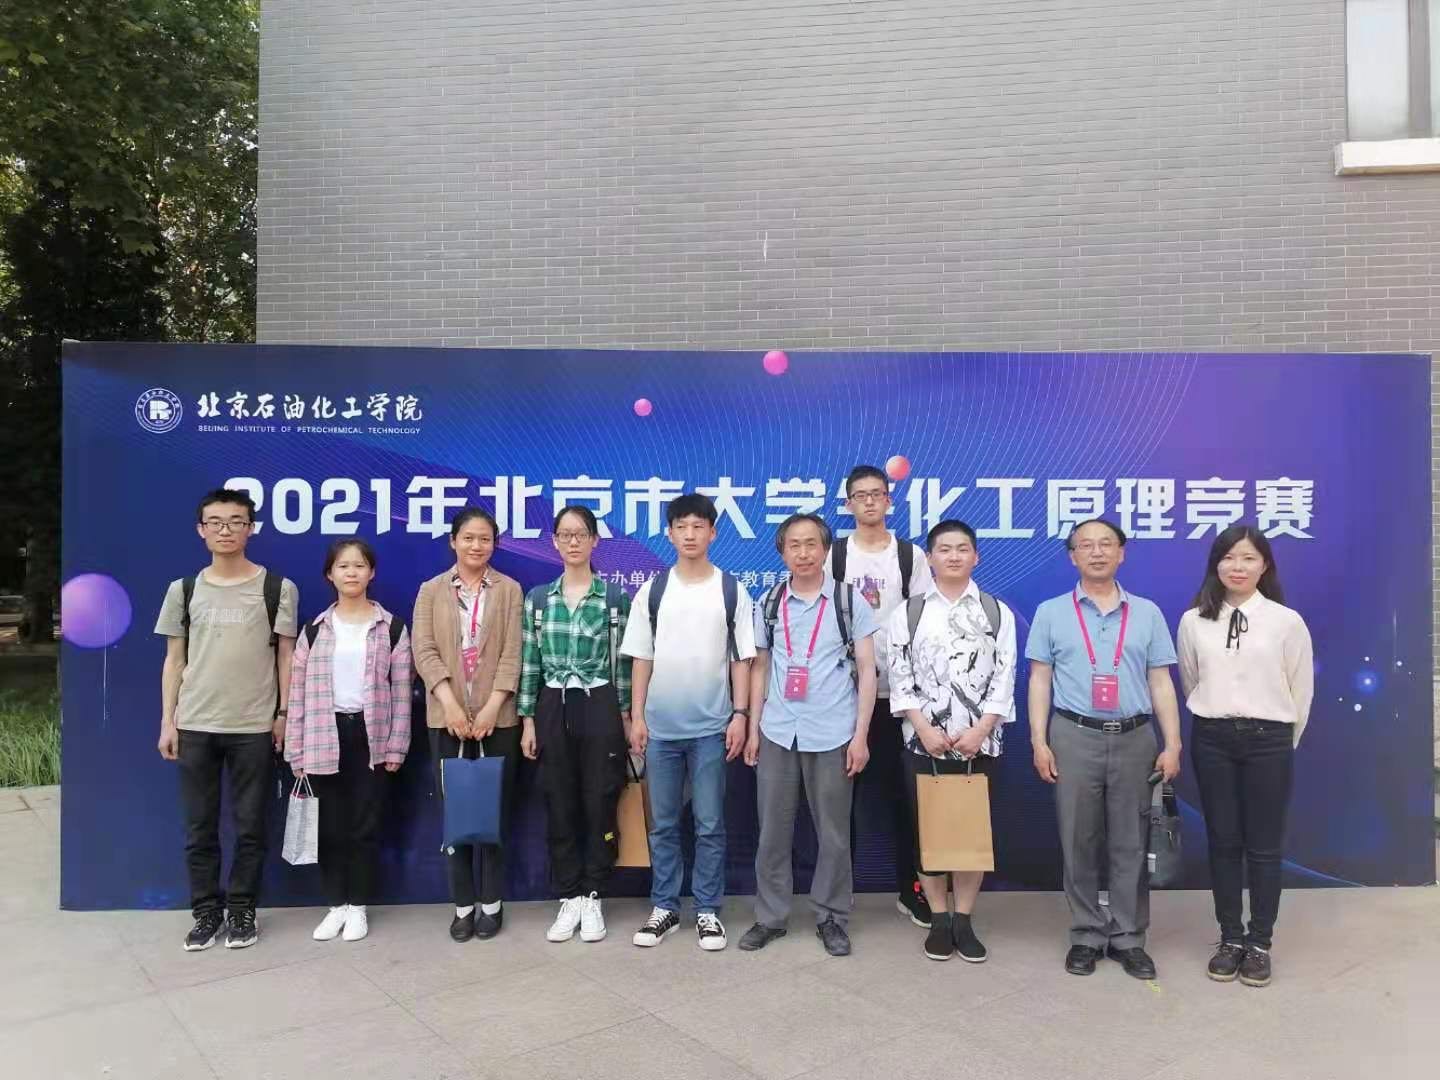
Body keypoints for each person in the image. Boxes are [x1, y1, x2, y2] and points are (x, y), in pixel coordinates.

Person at [1025, 518, 1182, 980]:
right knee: (1078, 838)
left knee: (1131, 840)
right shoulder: (1052, 612)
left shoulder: (1147, 613)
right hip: (1073, 735)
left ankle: (1129, 937)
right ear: (1072, 556)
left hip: (1135, 736)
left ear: (1121, 553)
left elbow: (1161, 681)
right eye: (1086, 545)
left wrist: (1173, 742)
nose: (1096, 552)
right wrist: (1039, 740)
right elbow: (1039, 680)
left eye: (1106, 544)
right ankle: (1087, 934)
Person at [155, 488, 299, 951]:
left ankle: (241, 910)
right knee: (200, 827)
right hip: (196, 723)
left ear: (250, 529)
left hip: (253, 725)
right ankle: (205, 913)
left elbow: (287, 657)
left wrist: (283, 714)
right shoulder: (184, 590)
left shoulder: (277, 588)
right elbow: (174, 660)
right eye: (215, 522)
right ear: (201, 530)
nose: (225, 530)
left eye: (236, 521)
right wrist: (168, 721)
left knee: (250, 826)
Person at [1178, 524, 1313, 988]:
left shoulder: (1286, 621)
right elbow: (1191, 679)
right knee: (1223, 841)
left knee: (1264, 846)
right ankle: (1230, 938)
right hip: (1212, 737)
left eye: (1249, 558)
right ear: (1216, 564)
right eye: (1229, 557)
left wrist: (1280, 742)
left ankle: (1259, 943)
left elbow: (1300, 690)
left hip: (1268, 740)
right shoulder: (1194, 620)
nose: (1238, 567)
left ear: (1265, 566)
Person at [620, 493, 756, 951]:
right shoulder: (653, 591)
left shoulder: (731, 590)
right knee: (661, 824)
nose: (691, 534)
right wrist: (638, 717)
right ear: (670, 533)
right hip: (660, 731)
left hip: (712, 729)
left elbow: (741, 660)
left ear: (713, 532)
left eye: (699, 526)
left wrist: (740, 715)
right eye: (682, 526)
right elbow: (641, 658)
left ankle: (708, 911)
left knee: (710, 824)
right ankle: (664, 907)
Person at [738, 513, 878, 957]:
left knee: (833, 834)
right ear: (782, 552)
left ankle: (832, 917)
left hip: (834, 731)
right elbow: (760, 667)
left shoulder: (849, 601)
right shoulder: (769, 601)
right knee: (772, 832)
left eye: (811, 544)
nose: (803, 553)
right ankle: (770, 916)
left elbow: (868, 670)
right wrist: (755, 728)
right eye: (794, 545)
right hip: (779, 730)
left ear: (826, 550)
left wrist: (861, 736)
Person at [886, 521, 1016, 962]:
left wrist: (981, 730)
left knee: (971, 833)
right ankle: (939, 918)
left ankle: (964, 918)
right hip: (923, 742)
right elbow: (900, 677)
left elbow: (1005, 678)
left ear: (975, 556)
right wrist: (924, 729)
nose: (954, 556)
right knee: (929, 831)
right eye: (945, 549)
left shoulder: (996, 612)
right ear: (931, 558)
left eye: (963, 549)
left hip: (981, 742)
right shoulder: (909, 612)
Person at [285, 538, 413, 943]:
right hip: (323, 734)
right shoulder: (314, 630)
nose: (352, 572)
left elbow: (402, 693)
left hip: (371, 737)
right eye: (343, 566)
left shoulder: (391, 628)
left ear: (371, 573)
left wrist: (396, 745)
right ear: (330, 575)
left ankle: (357, 907)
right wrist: (295, 751)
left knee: (363, 827)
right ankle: (335, 906)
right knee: (328, 828)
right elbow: (297, 693)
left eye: (359, 565)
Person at [517, 505, 633, 945]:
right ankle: (569, 895)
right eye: (564, 535)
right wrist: (528, 720)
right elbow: (530, 662)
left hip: (598, 701)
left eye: (580, 534)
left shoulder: (613, 598)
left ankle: (594, 894)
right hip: (552, 703)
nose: (572, 542)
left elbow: (622, 664)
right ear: (554, 541)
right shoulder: (538, 599)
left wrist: (626, 716)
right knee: (559, 798)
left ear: (594, 541)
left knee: (600, 797)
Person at [412, 507, 523, 943]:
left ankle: (492, 904)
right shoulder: (431, 590)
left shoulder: (509, 590)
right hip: (447, 719)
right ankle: (462, 906)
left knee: (494, 812)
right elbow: (424, 650)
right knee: (455, 816)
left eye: (485, 539)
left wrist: (494, 706)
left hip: (499, 719)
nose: (477, 546)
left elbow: (513, 653)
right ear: (453, 541)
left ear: (494, 544)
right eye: (469, 538)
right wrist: (450, 705)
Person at [832, 464, 934, 928]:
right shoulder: (834, 555)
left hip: (900, 698)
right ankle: (837, 893)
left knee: (905, 798)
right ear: (848, 503)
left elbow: (926, 622)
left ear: (889, 500)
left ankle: (912, 889)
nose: (869, 501)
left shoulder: (910, 556)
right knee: (839, 801)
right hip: (842, 697)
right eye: (860, 495)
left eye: (877, 494)